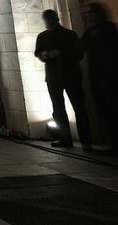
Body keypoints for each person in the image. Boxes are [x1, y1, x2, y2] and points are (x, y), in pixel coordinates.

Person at [81, 2, 118, 162]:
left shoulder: (109, 28)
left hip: (111, 76)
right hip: (96, 76)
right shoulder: (91, 31)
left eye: (90, 13)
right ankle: (117, 145)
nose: (88, 16)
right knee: (105, 113)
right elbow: (80, 47)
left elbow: (107, 50)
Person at [35, 9, 93, 150]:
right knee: (59, 109)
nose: (49, 22)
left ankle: (84, 141)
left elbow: (78, 54)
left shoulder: (68, 35)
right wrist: (44, 55)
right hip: (55, 77)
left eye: (51, 19)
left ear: (56, 19)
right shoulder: (43, 36)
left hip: (69, 76)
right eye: (47, 20)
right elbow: (38, 52)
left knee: (78, 108)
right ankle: (68, 139)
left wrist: (60, 54)